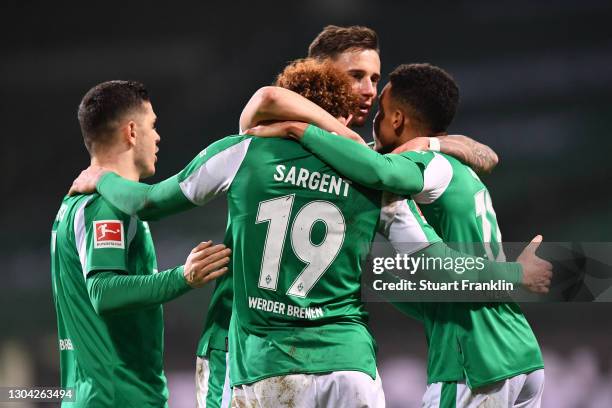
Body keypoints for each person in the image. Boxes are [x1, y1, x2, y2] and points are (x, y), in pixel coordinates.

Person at [69, 61, 550, 408]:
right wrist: (510, 273)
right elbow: (435, 264)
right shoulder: (374, 176)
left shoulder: (241, 152)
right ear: (339, 114)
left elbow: (151, 204)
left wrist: (102, 177)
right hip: (348, 368)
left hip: (267, 369)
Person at [247, 63, 550, 407]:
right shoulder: (457, 166)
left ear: (397, 120)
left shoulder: (423, 165)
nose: (373, 119)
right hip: (519, 353)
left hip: (475, 360)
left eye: (381, 111)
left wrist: (301, 131)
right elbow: (486, 158)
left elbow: (380, 173)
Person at [51, 80, 230, 407]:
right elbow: (104, 291)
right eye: (153, 126)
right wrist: (182, 277)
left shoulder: (72, 205)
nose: (158, 137)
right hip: (118, 397)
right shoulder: (106, 206)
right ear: (131, 132)